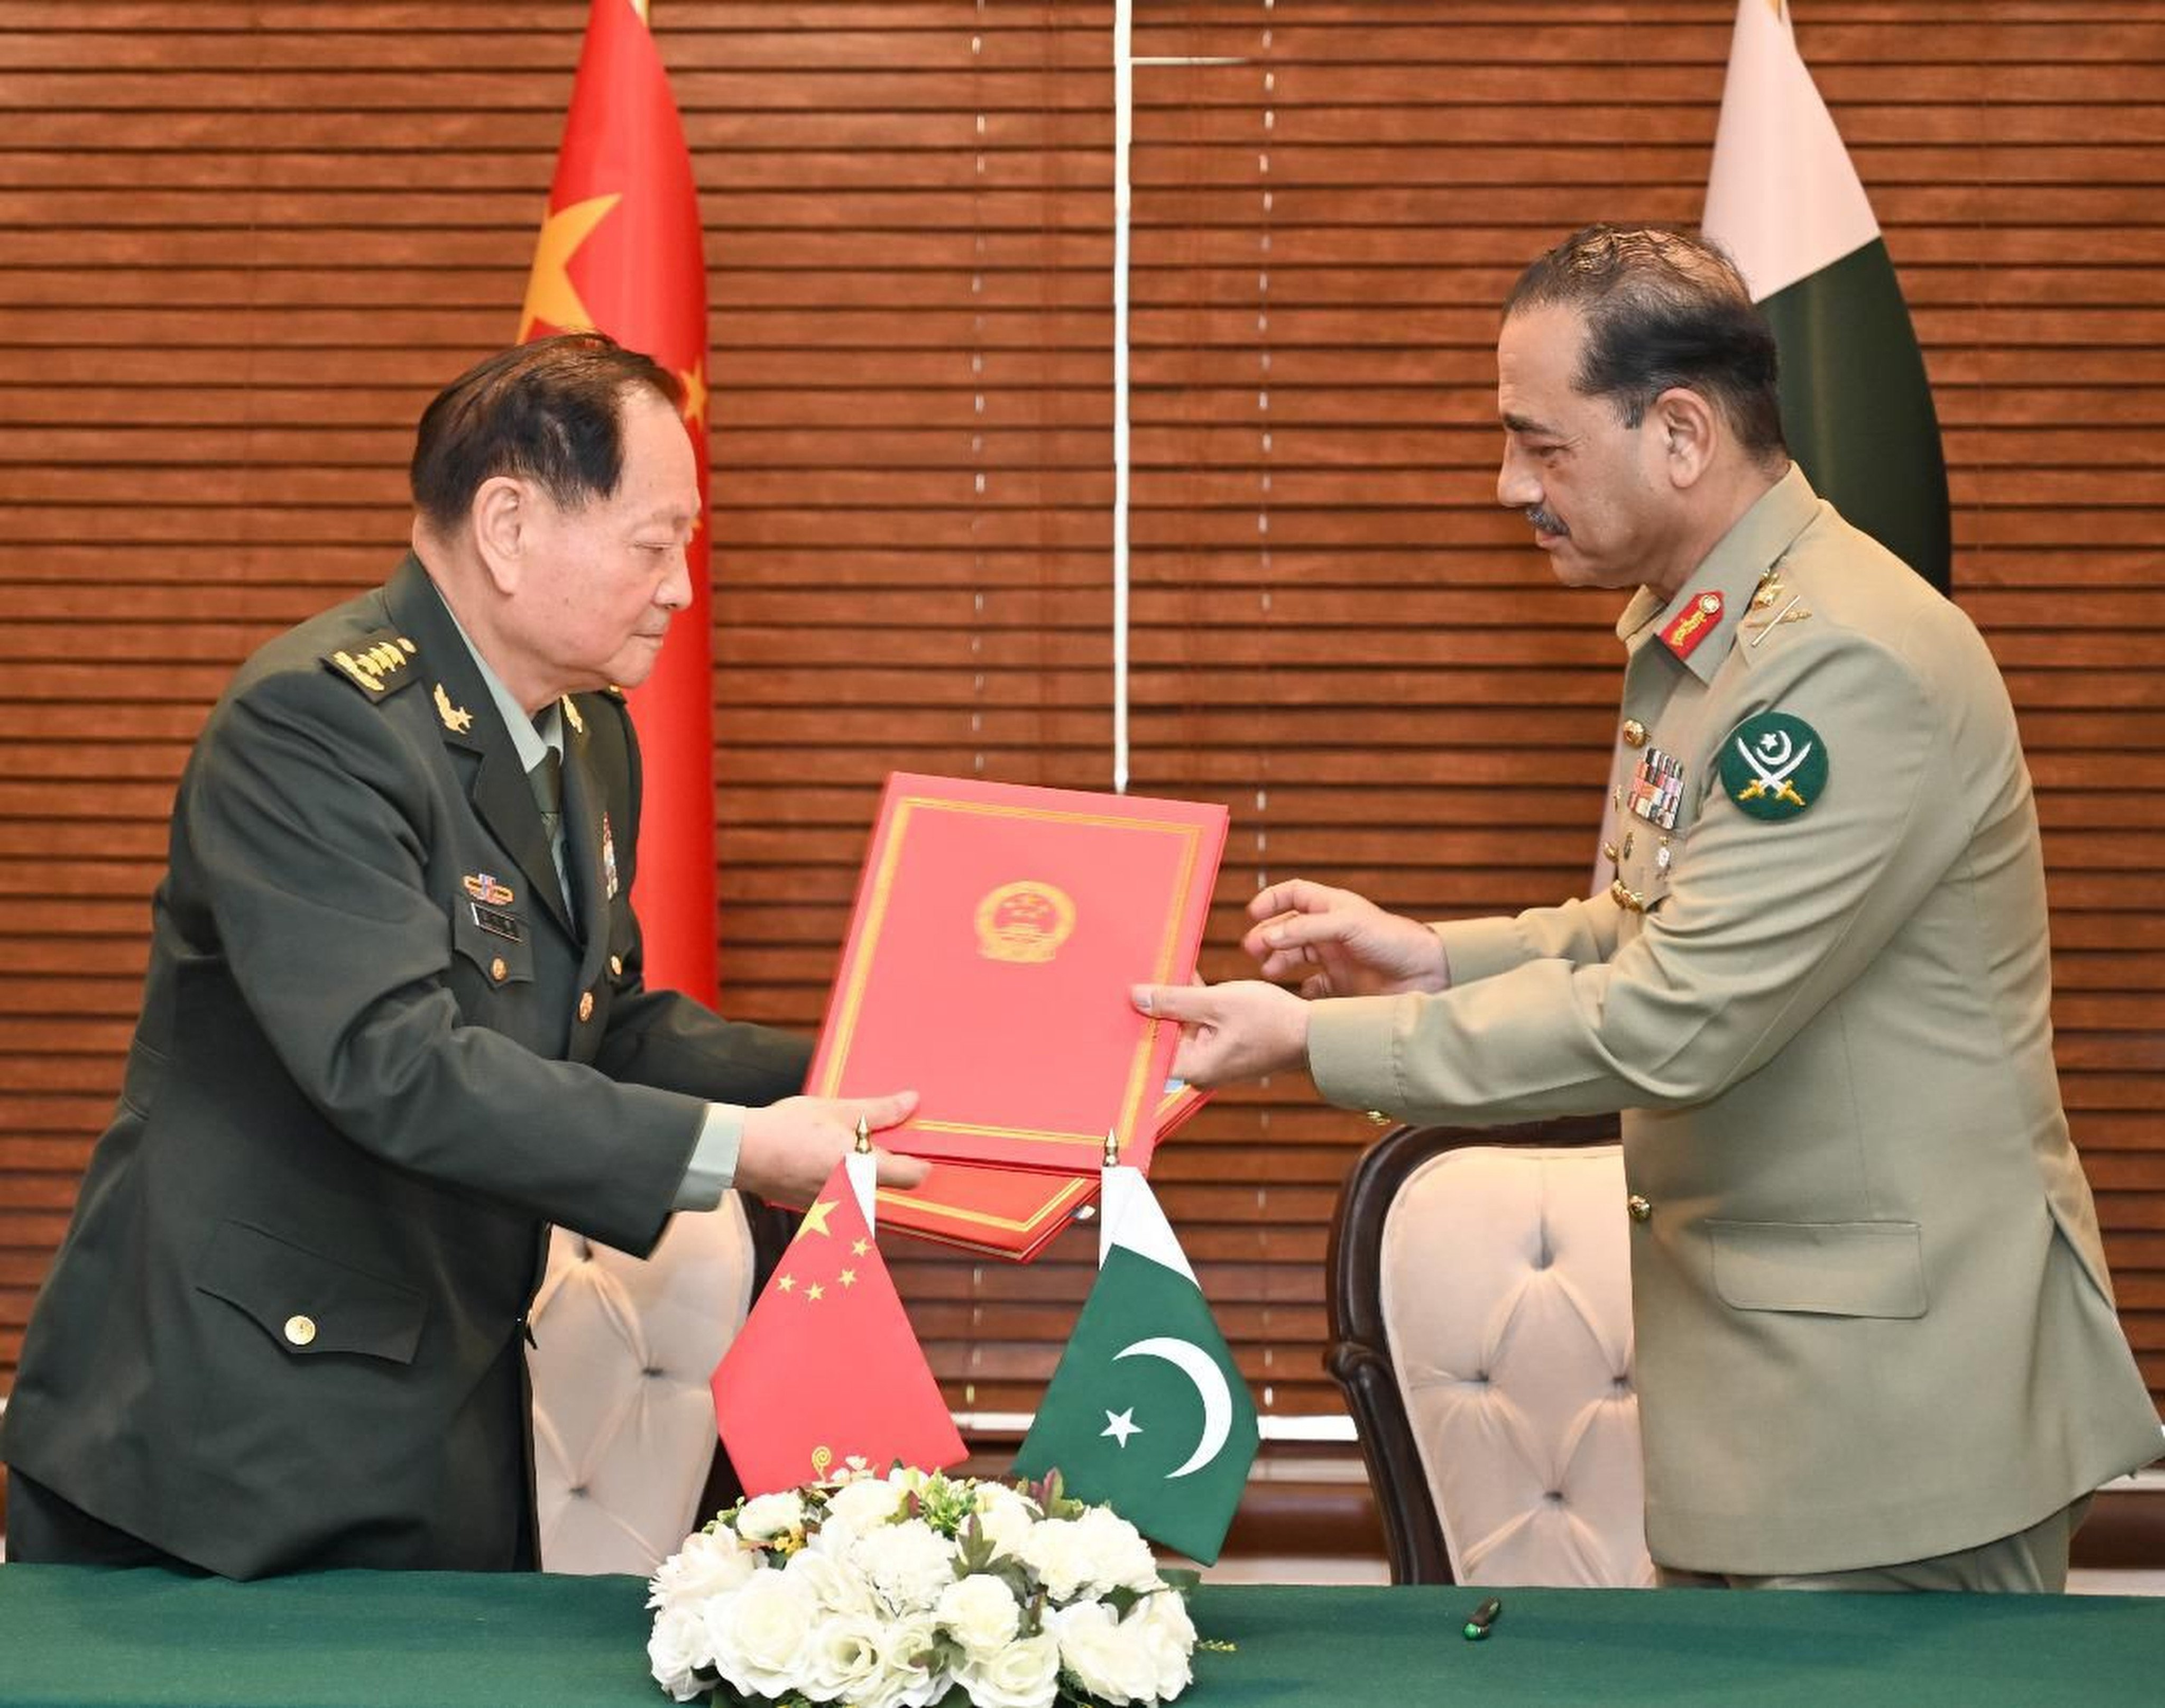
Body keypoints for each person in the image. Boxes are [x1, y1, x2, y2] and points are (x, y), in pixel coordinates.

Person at [1135, 226, 2162, 1591]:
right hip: (1784, 1386)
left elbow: (1679, 1019)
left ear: (1679, 431)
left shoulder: (1837, 660)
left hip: (1887, 1414)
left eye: (1542, 445)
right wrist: (1434, 956)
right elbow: (1657, 921)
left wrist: (1311, 1046)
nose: (1511, 487)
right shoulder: (1709, 632)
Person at [1, 334, 928, 1578]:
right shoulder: (317, 722)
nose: (681, 590)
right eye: (657, 544)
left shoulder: (587, 736)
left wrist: (868, 1065)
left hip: (435, 1403)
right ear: (507, 525)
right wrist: (738, 1151)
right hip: (226, 1441)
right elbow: (391, 1061)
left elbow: (604, 1021)